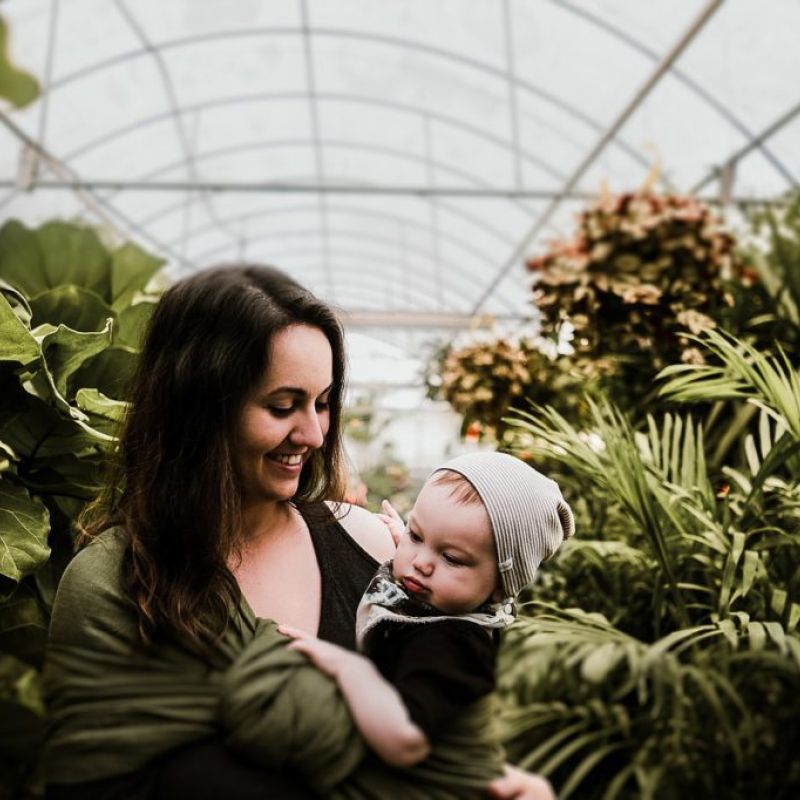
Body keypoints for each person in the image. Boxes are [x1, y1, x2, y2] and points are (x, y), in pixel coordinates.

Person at [42, 265, 556, 800]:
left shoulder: (376, 550)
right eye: (282, 406)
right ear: (199, 409)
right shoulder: (112, 585)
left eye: (324, 402)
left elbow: (447, 724)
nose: (312, 433)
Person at [281, 452, 574, 778]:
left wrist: (348, 667)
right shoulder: (439, 598)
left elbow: (406, 741)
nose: (420, 562)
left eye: (451, 557)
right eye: (417, 535)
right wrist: (406, 539)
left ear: (500, 588)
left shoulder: (452, 644)